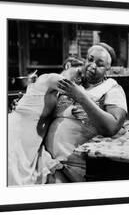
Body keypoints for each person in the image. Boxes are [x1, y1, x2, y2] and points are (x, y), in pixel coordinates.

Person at [45, 43, 128, 182]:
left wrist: (82, 97)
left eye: (100, 64)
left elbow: (112, 127)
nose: (92, 66)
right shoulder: (73, 83)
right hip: (47, 158)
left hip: (75, 166)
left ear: (108, 68)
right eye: (90, 60)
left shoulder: (112, 89)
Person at [7, 57, 84, 186]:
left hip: (33, 144)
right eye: (79, 72)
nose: (80, 79)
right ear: (68, 65)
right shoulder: (49, 78)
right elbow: (75, 90)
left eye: (83, 77)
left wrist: (73, 111)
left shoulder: (58, 95)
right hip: (16, 136)